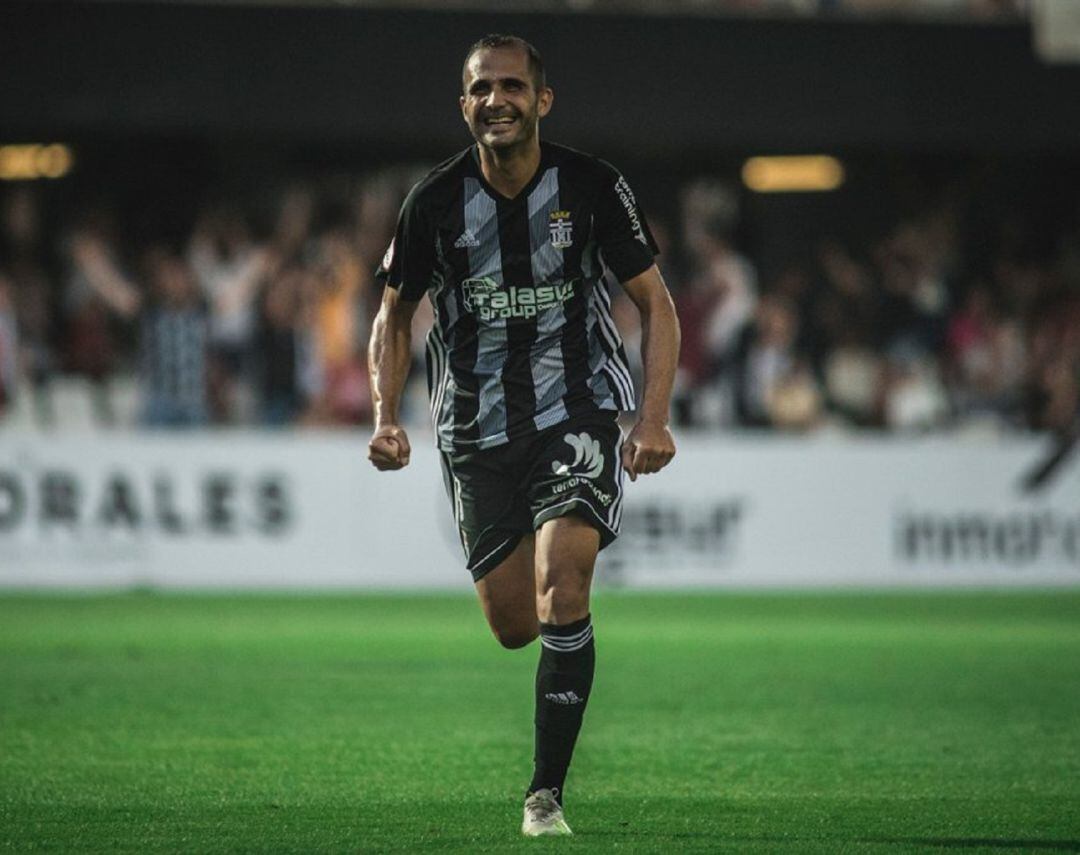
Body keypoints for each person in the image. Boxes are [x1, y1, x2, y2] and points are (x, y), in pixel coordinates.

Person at [367, 34, 680, 837]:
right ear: (464, 104)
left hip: (574, 411)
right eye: (481, 89)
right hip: (474, 430)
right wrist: (385, 416)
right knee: (516, 625)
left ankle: (546, 794)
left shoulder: (593, 186)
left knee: (562, 587)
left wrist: (651, 418)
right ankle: (557, 670)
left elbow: (659, 305)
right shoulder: (433, 201)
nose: (496, 100)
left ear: (542, 100)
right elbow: (393, 315)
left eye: (512, 87)